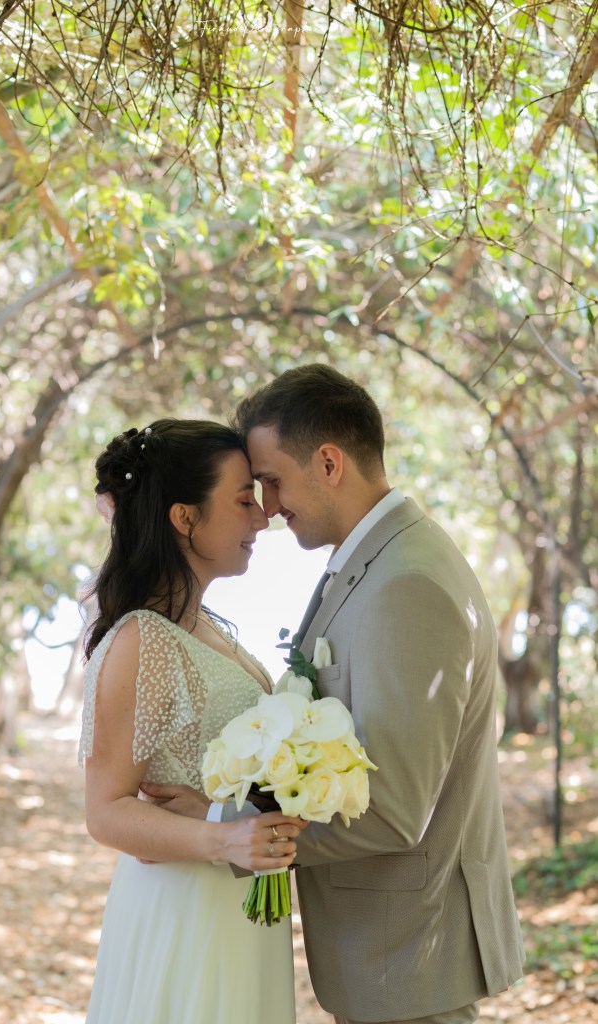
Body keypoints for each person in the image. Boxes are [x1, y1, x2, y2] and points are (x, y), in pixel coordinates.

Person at [145, 367, 525, 1024]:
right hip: (386, 959)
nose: (265, 505)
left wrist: (227, 825)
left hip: (408, 960)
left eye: (270, 479)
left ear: (327, 462)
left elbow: (394, 806)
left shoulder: (407, 585)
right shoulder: (374, 561)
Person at [78, 420, 306, 1024]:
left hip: (241, 908)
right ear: (184, 518)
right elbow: (106, 810)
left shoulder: (209, 630)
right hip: (185, 910)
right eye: (242, 500)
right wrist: (223, 837)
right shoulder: (140, 639)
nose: (261, 518)